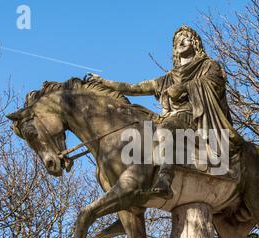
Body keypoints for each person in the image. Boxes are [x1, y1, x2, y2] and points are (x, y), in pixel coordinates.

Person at [87, 25, 243, 199]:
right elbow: (135, 88)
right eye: (177, 40)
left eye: (186, 38)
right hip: (171, 116)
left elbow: (214, 83)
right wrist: (105, 82)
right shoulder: (168, 77)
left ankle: (165, 178)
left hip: (195, 117)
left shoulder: (208, 65)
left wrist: (184, 88)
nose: (181, 42)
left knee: (164, 129)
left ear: (195, 43)